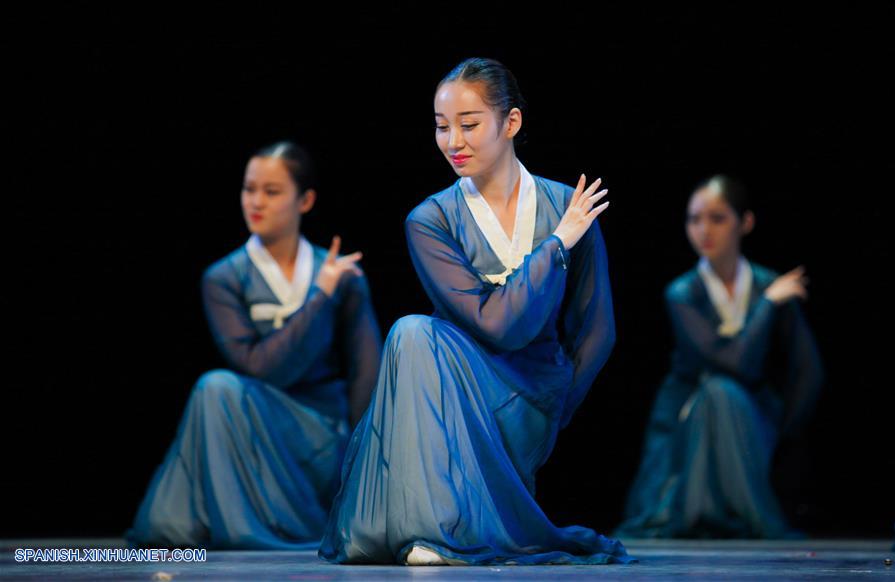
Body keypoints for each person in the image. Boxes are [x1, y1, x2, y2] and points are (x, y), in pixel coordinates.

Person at [319, 58, 633, 566]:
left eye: (469, 125)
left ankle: (446, 527)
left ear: (511, 123)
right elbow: (496, 325)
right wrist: (555, 244)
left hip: (535, 400)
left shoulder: (566, 205)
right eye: (443, 127)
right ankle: (430, 532)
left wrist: (558, 407)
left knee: (418, 334)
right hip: (459, 394)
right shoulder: (431, 218)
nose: (453, 142)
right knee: (413, 332)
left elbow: (597, 330)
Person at [127, 141, 382, 549]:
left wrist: (361, 461)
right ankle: (245, 528)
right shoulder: (225, 278)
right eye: (249, 189)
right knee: (217, 389)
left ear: (306, 200)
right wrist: (319, 298)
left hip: (321, 433)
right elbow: (262, 368)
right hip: (254, 427)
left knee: (220, 392)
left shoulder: (342, 274)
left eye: (272, 191)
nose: (256, 202)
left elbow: (365, 370)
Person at [617, 175, 824, 539]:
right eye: (694, 219)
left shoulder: (766, 281)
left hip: (755, 413)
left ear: (745, 222)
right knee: (720, 392)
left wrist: (784, 430)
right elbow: (732, 362)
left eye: (717, 218)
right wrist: (767, 306)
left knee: (730, 397)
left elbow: (809, 370)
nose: (703, 230)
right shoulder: (683, 292)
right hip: (689, 413)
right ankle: (713, 510)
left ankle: (745, 505)